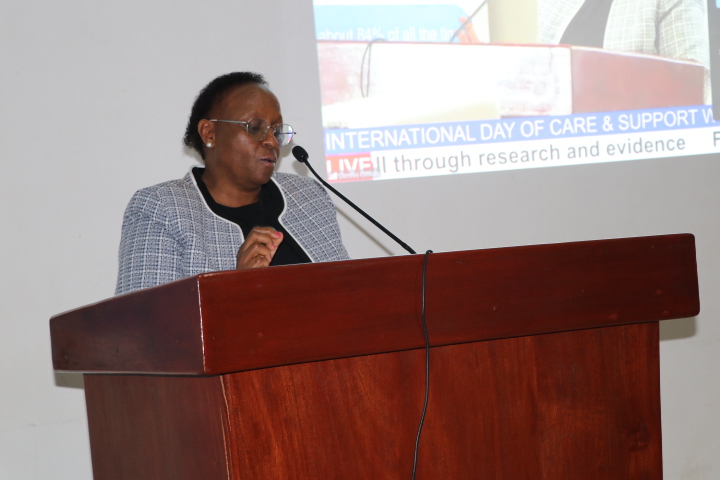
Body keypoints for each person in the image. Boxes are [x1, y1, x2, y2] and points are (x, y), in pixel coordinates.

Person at [115, 72, 349, 295]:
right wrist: (236, 287)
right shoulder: (163, 209)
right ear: (209, 133)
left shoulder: (308, 196)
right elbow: (143, 319)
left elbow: (347, 291)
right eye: (255, 127)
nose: (271, 141)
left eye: (277, 131)